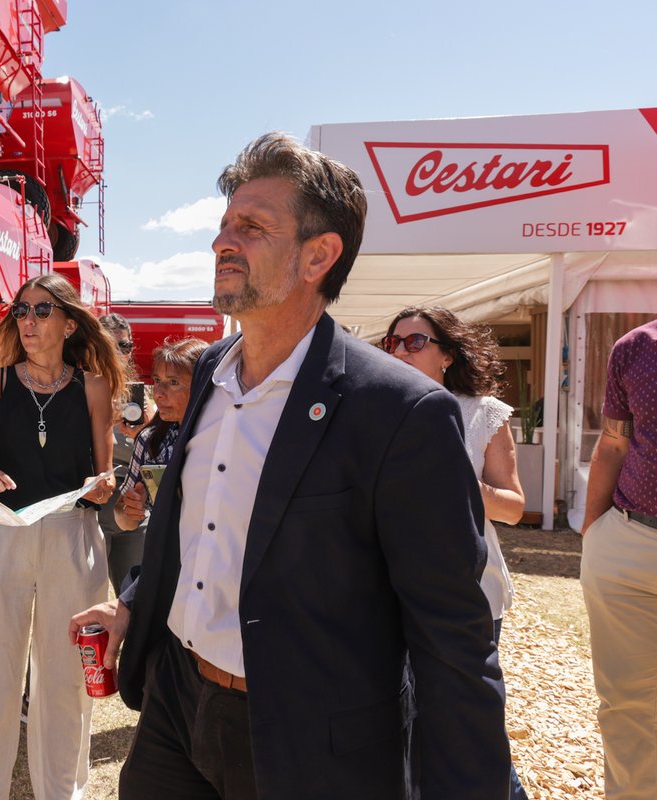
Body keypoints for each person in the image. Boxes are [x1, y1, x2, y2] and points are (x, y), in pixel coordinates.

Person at [70, 132, 509, 799]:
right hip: (175, 704)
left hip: (308, 738)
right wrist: (130, 604)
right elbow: (201, 526)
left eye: (252, 227)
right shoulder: (211, 370)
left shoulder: (400, 411)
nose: (222, 241)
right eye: (225, 224)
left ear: (318, 255)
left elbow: (453, 636)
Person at [0, 272, 126, 800]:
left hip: (72, 536)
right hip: (2, 534)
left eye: (41, 310)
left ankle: (63, 792)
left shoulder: (94, 387)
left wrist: (104, 487)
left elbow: (103, 476)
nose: (27, 321)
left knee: (65, 678)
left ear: (69, 323)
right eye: (20, 311)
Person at [383, 306, 530, 800]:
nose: (400, 351)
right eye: (393, 342)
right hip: (388, 589)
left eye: (415, 342)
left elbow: (514, 507)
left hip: (466, 592)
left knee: (468, 726)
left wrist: (460, 482)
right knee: (401, 723)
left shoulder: (481, 413)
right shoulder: (376, 410)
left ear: (447, 355)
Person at [580, 317, 657, 800]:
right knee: (627, 707)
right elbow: (613, 442)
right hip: (629, 543)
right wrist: (595, 532)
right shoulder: (636, 346)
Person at [112, 338, 209, 583]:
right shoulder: (150, 440)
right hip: (168, 568)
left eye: (173, 382)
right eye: (157, 380)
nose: (159, 393)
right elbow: (123, 519)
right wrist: (130, 510)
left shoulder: (223, 438)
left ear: (203, 384)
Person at [97, 312, 156, 596]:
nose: (120, 352)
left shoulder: (137, 395)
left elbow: (160, 451)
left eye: (125, 345)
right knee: (89, 597)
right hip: (93, 508)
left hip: (133, 507)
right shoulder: (79, 389)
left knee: (134, 596)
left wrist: (146, 431)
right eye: (111, 345)